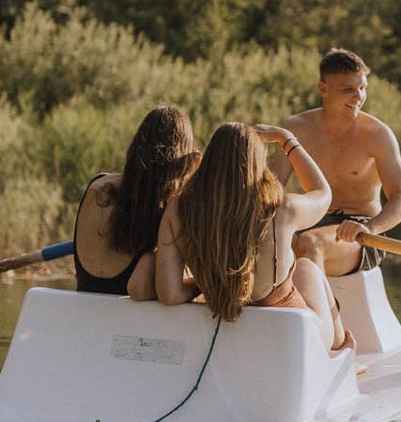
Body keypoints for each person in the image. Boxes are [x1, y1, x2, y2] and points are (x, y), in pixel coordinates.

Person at [156, 122, 352, 353]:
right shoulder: (282, 210)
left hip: (227, 332)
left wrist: (213, 284)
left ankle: (342, 354)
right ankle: (341, 353)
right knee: (307, 266)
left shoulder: (178, 208)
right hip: (296, 339)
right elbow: (323, 194)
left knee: (302, 267)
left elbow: (169, 294)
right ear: (256, 164)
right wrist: (288, 140)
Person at [272, 48, 401, 277]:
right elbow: (271, 189)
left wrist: (370, 227)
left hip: (362, 229)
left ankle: (324, 312)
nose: (359, 97)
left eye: (362, 88)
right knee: (262, 239)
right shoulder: (295, 129)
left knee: (309, 245)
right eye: (348, 90)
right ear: (323, 88)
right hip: (311, 218)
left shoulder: (378, 134)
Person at [73, 105, 200, 300]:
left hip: (81, 308)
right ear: (180, 161)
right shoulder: (168, 209)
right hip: (128, 320)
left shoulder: (97, 186)